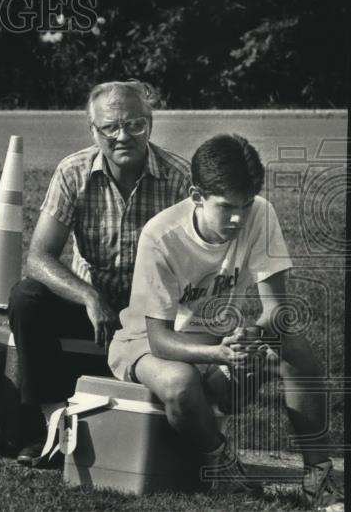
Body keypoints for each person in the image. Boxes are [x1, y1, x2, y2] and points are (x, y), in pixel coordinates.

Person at [108, 135, 343, 506]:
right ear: (196, 196)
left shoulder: (260, 213)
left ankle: (320, 477)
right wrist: (220, 354)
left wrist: (253, 333)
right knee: (181, 382)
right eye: (227, 207)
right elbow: (158, 339)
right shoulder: (160, 236)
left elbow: (276, 312)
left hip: (219, 346)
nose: (239, 218)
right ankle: (225, 468)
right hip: (147, 346)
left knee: (293, 345)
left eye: (246, 205)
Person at [7, 80, 191, 465]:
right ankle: (49, 424)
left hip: (151, 312)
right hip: (91, 307)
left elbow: (193, 264)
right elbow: (39, 257)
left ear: (150, 124)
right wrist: (89, 296)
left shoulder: (178, 178)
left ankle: (183, 426)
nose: (122, 136)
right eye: (109, 127)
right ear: (93, 130)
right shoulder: (73, 171)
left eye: (134, 125)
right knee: (26, 297)